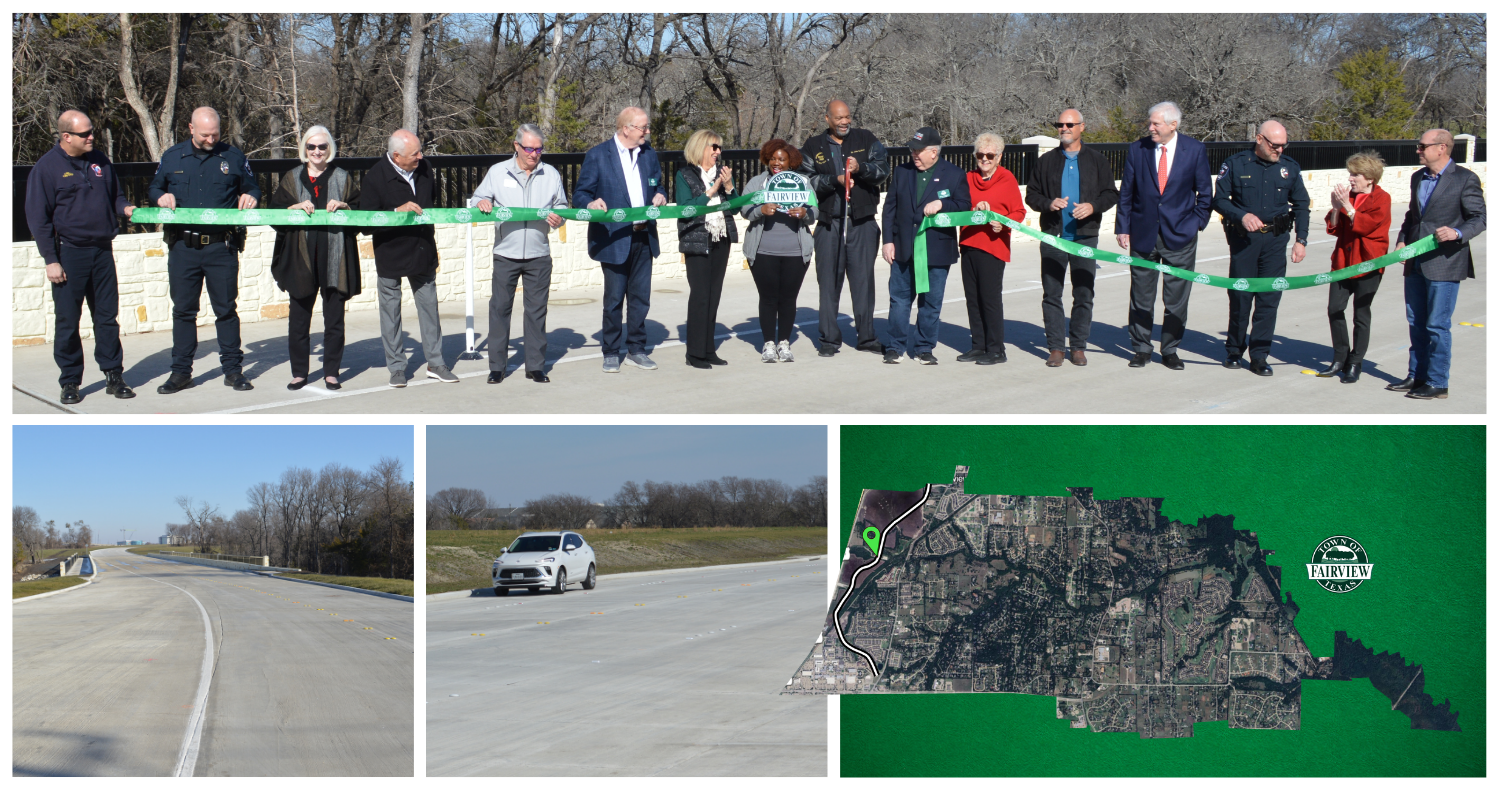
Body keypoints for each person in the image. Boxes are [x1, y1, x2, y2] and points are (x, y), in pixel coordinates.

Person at [24, 110, 137, 405]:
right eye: (85, 133)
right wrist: (51, 259)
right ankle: (71, 381)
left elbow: (115, 196)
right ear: (66, 137)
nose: (91, 137)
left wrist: (125, 208)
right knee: (67, 321)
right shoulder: (46, 169)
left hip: (101, 251)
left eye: (91, 132)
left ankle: (114, 374)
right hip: (68, 254)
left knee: (107, 318)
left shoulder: (100, 160)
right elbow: (39, 219)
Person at [147, 106, 261, 394]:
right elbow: (153, 189)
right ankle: (180, 372)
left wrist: (250, 195)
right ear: (190, 128)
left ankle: (233, 371)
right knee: (184, 311)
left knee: (226, 310)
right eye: (205, 134)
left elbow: (254, 188)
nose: (211, 139)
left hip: (221, 247)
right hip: (184, 247)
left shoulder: (233, 157)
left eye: (216, 134)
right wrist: (161, 197)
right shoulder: (173, 157)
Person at [1389, 128, 1487, 400]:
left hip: (1445, 262)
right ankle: (1417, 375)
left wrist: (1457, 233)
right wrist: (1401, 241)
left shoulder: (1465, 179)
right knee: (1415, 321)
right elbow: (1413, 216)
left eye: (1422, 146)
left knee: (1436, 324)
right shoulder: (1417, 177)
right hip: (1416, 261)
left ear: (1441, 148)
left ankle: (1437, 382)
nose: (1418, 150)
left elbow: (1479, 218)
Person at [358, 128, 458, 388]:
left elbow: (431, 203)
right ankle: (397, 368)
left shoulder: (426, 168)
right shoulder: (374, 177)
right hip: (390, 253)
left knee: (430, 310)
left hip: (422, 249)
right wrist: (396, 212)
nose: (421, 157)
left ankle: (436, 363)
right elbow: (366, 224)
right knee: (390, 313)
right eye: (415, 153)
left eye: (420, 151)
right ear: (396, 156)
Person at [1116, 101, 1212, 370]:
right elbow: (1127, 192)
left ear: (1173, 125)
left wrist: (1195, 224)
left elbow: (1205, 195)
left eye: (1155, 124)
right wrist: (1123, 227)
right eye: (1150, 123)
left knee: (1176, 300)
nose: (1150, 128)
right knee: (1141, 297)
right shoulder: (1138, 149)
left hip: (1180, 237)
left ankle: (1170, 349)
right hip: (1143, 234)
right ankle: (1141, 348)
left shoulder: (1194, 150)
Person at [573, 106, 668, 373]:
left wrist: (660, 194)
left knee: (640, 298)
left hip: (643, 236)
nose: (647, 132)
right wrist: (590, 202)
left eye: (647, 127)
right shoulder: (598, 155)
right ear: (626, 128)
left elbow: (657, 184)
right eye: (643, 127)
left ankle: (637, 349)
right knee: (614, 299)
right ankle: (611, 351)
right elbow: (580, 193)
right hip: (614, 238)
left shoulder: (649, 155)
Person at [472, 123, 568, 384]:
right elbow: (476, 199)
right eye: (529, 148)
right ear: (516, 146)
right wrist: (482, 201)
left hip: (539, 253)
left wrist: (559, 218)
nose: (534, 154)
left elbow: (562, 206)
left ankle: (535, 366)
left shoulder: (551, 174)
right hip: (506, 253)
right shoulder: (497, 172)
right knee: (500, 310)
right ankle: (497, 367)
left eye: (539, 149)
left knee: (536, 312)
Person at [1212, 120, 1310, 376]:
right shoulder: (1235, 163)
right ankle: (1234, 350)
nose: (1279, 150)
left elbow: (1301, 205)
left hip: (1276, 242)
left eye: (1283, 145)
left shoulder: (1289, 168)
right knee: (1240, 298)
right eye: (1274, 145)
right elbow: (1220, 200)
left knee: (1269, 300)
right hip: (1245, 241)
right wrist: (1241, 216)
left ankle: (1259, 356)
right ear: (1259, 139)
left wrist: (1302, 240)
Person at [1024, 109, 1118, 367]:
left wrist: (1093, 206)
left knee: (1084, 293)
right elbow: (1031, 196)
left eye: (1069, 124)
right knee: (1052, 294)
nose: (1063, 128)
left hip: (1085, 238)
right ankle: (1055, 347)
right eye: (1060, 124)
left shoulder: (1097, 160)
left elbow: (1111, 193)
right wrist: (1048, 202)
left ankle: (1078, 346)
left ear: (1081, 127)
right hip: (1054, 237)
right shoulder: (1046, 162)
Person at [269, 125, 361, 391]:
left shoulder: (343, 177)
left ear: (329, 149)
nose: (317, 151)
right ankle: (299, 372)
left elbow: (361, 211)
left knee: (334, 320)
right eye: (311, 146)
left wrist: (345, 206)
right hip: (301, 259)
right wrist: (293, 207)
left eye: (322, 146)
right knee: (299, 320)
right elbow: (275, 214)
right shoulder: (292, 177)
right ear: (304, 149)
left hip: (336, 259)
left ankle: (331, 372)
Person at [798, 99, 889, 357]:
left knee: (863, 283)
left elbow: (883, 170)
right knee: (828, 283)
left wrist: (862, 168)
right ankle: (829, 339)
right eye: (839, 118)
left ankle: (867, 337)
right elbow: (806, 181)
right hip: (829, 224)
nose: (845, 122)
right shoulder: (813, 146)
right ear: (827, 118)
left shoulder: (866, 139)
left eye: (847, 117)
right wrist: (832, 180)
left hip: (861, 223)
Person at [881, 126, 972, 365]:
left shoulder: (953, 173)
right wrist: (888, 241)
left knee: (930, 302)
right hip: (903, 248)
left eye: (919, 150)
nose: (914, 154)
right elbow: (889, 208)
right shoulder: (902, 172)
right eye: (912, 149)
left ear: (934, 152)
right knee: (899, 300)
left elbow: (964, 205)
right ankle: (895, 346)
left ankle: (924, 348)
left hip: (936, 251)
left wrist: (943, 204)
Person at [740, 139, 818, 363]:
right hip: (763, 251)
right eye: (773, 158)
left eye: (781, 159)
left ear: (790, 162)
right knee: (768, 298)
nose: (776, 163)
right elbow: (744, 209)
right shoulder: (758, 183)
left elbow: (815, 210)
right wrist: (760, 210)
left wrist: (805, 214)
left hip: (796, 251)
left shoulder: (803, 182)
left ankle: (784, 343)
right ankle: (768, 344)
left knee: (788, 298)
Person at [1318, 151, 1392, 384]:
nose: (1350, 179)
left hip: (1368, 264)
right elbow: (1334, 228)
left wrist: (1348, 207)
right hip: (1342, 263)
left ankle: (1355, 362)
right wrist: (1337, 209)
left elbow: (1366, 227)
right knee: (1334, 309)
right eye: (1350, 174)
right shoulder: (1347, 197)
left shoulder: (1382, 198)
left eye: (1356, 174)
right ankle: (1339, 357)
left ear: (1370, 178)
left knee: (1361, 314)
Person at [958, 132, 1024, 365]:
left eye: (989, 155)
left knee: (990, 299)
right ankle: (978, 345)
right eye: (980, 155)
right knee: (972, 298)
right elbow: (960, 208)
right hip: (968, 244)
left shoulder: (1007, 179)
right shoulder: (967, 179)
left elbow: (1019, 212)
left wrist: (1003, 221)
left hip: (993, 247)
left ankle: (996, 349)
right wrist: (975, 207)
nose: (984, 159)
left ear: (999, 157)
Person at [675, 129, 738, 369]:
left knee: (714, 296)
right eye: (714, 147)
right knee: (700, 296)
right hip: (696, 240)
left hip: (720, 238)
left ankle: (709, 349)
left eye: (720, 147)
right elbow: (685, 209)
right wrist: (710, 191)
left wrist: (729, 186)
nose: (718, 152)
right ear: (701, 148)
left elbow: (735, 209)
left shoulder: (723, 174)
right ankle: (695, 353)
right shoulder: (685, 174)